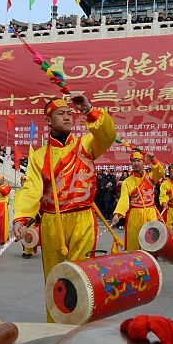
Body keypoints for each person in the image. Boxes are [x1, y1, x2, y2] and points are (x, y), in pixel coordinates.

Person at [13, 94, 115, 320]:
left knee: (81, 275)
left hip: (82, 219)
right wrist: (21, 218)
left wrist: (88, 110)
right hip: (52, 222)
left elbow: (108, 135)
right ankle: (55, 326)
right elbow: (31, 189)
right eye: (61, 113)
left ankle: (80, 325)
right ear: (48, 121)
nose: (68, 116)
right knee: (56, 278)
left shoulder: (86, 144)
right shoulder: (39, 156)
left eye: (70, 113)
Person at [111, 150, 164, 252]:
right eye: (134, 161)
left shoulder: (151, 177)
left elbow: (160, 172)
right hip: (134, 214)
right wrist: (118, 214)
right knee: (133, 244)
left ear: (143, 162)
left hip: (150, 212)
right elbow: (123, 199)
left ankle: (151, 265)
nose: (136, 163)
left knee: (151, 244)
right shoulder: (127, 182)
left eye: (138, 160)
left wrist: (153, 159)